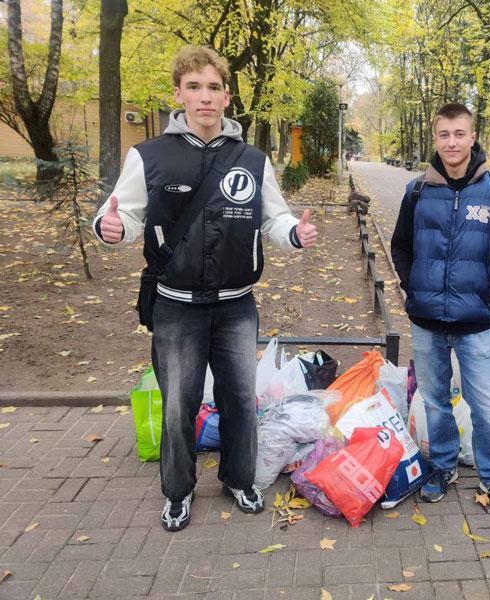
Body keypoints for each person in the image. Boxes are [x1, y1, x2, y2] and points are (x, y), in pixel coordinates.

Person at [93, 46, 318, 532]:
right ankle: (178, 491)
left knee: (240, 400)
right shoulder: (148, 155)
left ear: (227, 97)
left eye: (214, 87)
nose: (205, 97)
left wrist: (295, 234)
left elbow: (274, 217)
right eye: (194, 87)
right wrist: (110, 228)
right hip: (176, 308)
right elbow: (123, 214)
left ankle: (239, 479)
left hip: (237, 306)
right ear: (178, 94)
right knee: (179, 405)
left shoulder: (252, 160)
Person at [391, 103, 490, 517]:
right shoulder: (417, 191)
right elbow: (400, 246)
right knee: (435, 402)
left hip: (477, 322)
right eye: (444, 134)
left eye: (459, 134)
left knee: (485, 406)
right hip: (427, 321)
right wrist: (414, 285)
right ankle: (443, 466)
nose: (452, 143)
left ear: (473, 137)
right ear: (436, 138)